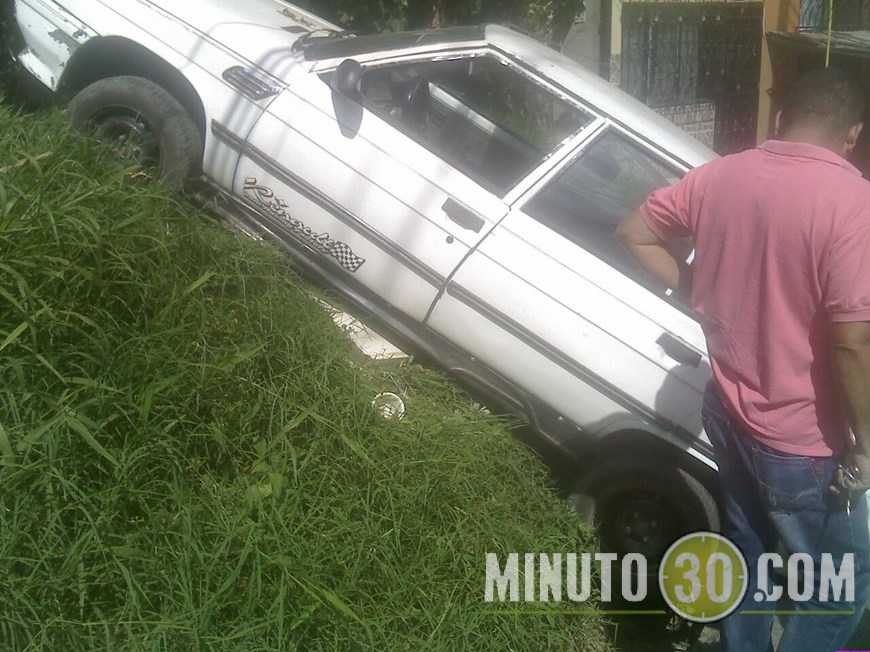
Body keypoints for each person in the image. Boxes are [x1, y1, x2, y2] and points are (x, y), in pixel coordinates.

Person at [616, 67, 870, 651]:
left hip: (727, 414)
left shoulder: (719, 177)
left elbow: (633, 232)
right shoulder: (853, 202)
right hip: (801, 441)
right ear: (851, 133)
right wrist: (865, 442)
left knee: (746, 552)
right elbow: (853, 342)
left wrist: (697, 288)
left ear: (781, 119)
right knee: (841, 589)